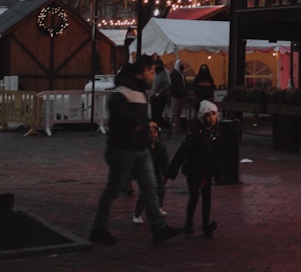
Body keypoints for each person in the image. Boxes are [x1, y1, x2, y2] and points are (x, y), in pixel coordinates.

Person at [90, 56, 182, 245]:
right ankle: (99, 229)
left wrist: (145, 123)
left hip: (140, 148)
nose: (152, 75)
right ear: (142, 71)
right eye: (150, 71)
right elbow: (116, 107)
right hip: (123, 148)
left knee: (150, 187)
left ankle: (158, 227)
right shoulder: (124, 90)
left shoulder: (139, 91)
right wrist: (138, 123)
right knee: (113, 189)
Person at [168, 100, 223, 237]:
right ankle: (189, 223)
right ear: (202, 117)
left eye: (213, 114)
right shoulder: (196, 131)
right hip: (193, 169)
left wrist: (217, 171)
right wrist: (172, 170)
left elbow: (216, 154)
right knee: (194, 196)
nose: (211, 118)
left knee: (206, 198)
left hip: (207, 170)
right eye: (208, 115)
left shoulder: (216, 132)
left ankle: (205, 225)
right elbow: (184, 150)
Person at [133, 120, 170, 222]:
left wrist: (166, 174)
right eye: (150, 133)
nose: (152, 135)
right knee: (144, 193)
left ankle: (158, 207)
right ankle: (137, 214)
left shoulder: (161, 146)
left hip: (156, 172)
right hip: (145, 172)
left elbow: (165, 161)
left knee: (161, 190)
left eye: (154, 132)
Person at [148, 58, 171, 129]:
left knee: (157, 115)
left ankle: (167, 126)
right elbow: (154, 85)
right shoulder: (155, 73)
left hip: (161, 97)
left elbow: (168, 84)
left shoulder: (165, 72)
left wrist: (159, 92)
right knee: (154, 115)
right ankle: (158, 128)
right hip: (154, 97)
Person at [169, 59, 189, 133]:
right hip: (176, 96)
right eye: (181, 65)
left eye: (182, 65)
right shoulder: (173, 74)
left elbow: (184, 84)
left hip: (182, 96)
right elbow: (172, 86)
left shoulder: (182, 74)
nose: (182, 66)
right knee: (174, 112)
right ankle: (172, 127)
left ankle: (177, 127)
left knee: (178, 112)